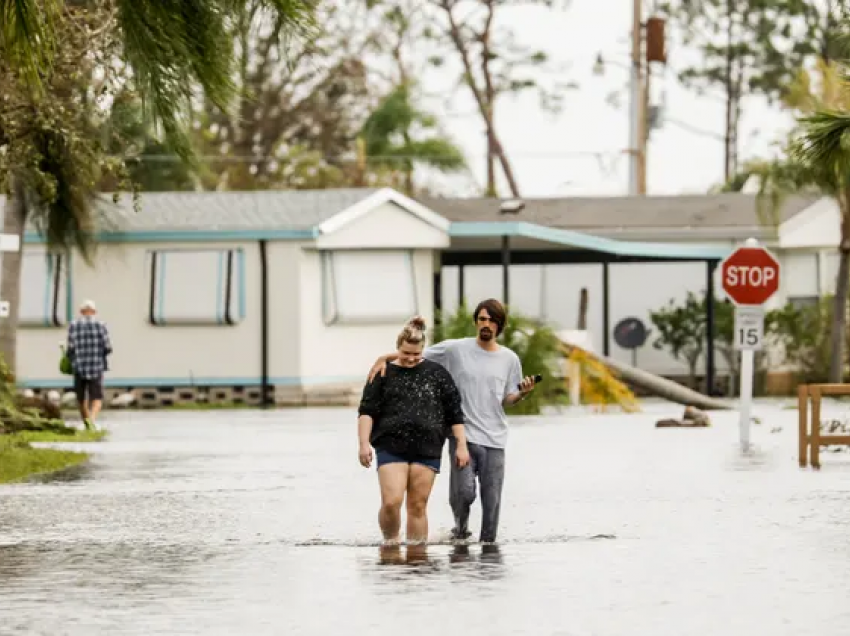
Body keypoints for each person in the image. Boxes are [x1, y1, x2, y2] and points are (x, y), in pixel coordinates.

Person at [368, 299, 537, 544]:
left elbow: (507, 399)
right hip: (463, 436)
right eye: (481, 319)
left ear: (500, 325)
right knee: (464, 493)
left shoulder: (510, 359)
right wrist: (383, 357)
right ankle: (460, 530)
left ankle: (488, 548)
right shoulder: (455, 349)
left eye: (491, 320)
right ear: (476, 322)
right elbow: (415, 354)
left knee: (492, 501)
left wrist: (522, 393)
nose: (486, 324)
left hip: (496, 438)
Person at [357, 316, 470, 547]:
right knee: (392, 501)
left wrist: (461, 445)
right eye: (405, 353)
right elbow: (366, 411)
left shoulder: (437, 373)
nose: (410, 359)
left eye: (415, 354)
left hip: (427, 447)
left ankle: (417, 556)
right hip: (390, 445)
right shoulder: (382, 373)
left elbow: (454, 413)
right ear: (397, 348)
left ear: (423, 350)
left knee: (417, 505)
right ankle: (390, 544)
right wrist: (363, 443)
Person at [66, 299, 113, 430]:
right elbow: (108, 347)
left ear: (81, 312)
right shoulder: (101, 325)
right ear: (94, 311)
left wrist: (72, 358)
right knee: (97, 397)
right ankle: (92, 420)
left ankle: (87, 422)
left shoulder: (73, 325)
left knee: (81, 398)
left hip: (79, 367)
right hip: (96, 366)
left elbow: (70, 348)